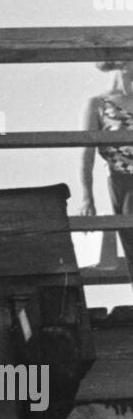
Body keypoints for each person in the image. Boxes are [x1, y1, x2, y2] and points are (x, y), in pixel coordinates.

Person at [80, 59, 133, 278]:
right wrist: (87, 198)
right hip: (121, 181)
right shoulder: (98, 104)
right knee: (130, 241)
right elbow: (87, 153)